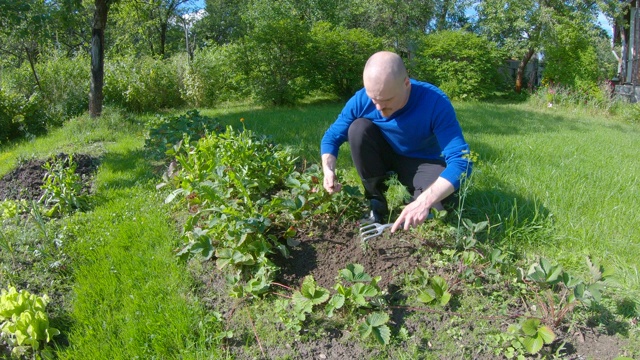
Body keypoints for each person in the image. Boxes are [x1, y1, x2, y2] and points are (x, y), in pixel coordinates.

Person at [320, 51, 472, 233]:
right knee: (358, 128)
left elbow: (461, 160)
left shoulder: (434, 102)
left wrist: (425, 201)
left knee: (431, 210)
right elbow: (332, 137)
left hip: (424, 163)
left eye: (386, 100)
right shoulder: (362, 99)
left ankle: (417, 199)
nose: (378, 107)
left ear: (406, 83)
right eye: (373, 99)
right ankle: (376, 202)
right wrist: (328, 170)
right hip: (387, 158)